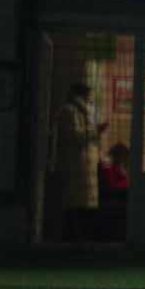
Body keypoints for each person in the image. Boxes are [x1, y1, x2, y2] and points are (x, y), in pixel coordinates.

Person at [48, 82, 107, 242]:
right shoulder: (70, 111)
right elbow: (75, 136)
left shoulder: (81, 111)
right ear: (82, 95)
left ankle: (78, 237)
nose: (90, 99)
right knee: (74, 203)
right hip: (76, 165)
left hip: (82, 164)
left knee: (80, 203)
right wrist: (96, 130)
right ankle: (72, 238)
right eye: (89, 95)